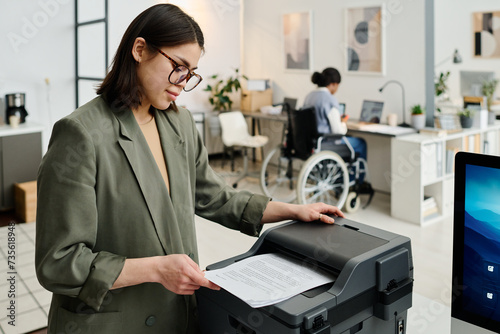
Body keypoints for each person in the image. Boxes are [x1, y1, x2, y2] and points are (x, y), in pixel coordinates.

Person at [35, 4, 344, 334]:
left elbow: (216, 197)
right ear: (140, 50)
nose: (183, 82)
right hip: (113, 322)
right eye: (178, 67)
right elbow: (58, 263)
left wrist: (292, 210)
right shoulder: (82, 133)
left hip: (177, 315)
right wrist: (156, 269)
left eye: (191, 72)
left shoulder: (178, 123)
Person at [303, 67, 367, 161]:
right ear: (334, 84)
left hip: (309, 142)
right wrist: (343, 123)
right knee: (361, 142)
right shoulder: (330, 100)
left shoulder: (309, 96)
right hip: (326, 143)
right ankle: (354, 175)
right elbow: (338, 131)